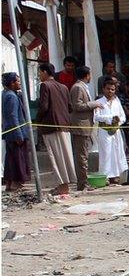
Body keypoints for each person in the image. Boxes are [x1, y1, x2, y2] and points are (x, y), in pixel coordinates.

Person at [36, 63, 76, 195]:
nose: (39, 75)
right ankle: (65, 186)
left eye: (40, 72)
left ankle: (62, 187)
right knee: (66, 156)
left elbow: (44, 107)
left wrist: (37, 120)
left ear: (45, 72)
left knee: (56, 157)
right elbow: (70, 107)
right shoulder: (64, 87)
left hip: (51, 126)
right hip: (64, 125)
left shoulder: (45, 85)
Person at [69, 65, 103, 191]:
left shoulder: (83, 87)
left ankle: (83, 182)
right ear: (86, 75)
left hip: (86, 125)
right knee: (81, 156)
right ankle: (82, 183)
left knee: (84, 155)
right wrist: (93, 104)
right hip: (80, 126)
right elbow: (77, 105)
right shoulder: (78, 87)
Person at [93, 81, 128, 184]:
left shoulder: (117, 101)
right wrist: (109, 118)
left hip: (115, 130)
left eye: (112, 89)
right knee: (106, 154)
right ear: (103, 89)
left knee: (116, 153)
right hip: (104, 131)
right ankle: (105, 176)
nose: (110, 91)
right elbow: (96, 117)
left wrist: (117, 122)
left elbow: (123, 116)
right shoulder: (99, 102)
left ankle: (115, 176)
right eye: (108, 89)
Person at [2, 72, 32, 191]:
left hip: (12, 133)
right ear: (12, 83)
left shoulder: (10, 94)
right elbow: (13, 116)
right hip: (15, 133)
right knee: (17, 159)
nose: (19, 83)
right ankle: (15, 183)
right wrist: (19, 135)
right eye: (18, 81)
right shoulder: (11, 96)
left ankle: (10, 183)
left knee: (11, 158)